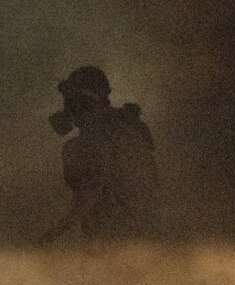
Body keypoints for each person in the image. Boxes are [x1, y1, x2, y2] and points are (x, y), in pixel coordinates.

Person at [40, 66, 160, 243]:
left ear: (82, 102)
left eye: (70, 101)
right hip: (145, 235)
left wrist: (53, 234)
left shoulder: (85, 143)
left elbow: (91, 193)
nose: (66, 108)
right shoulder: (127, 124)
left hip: (116, 239)